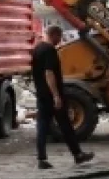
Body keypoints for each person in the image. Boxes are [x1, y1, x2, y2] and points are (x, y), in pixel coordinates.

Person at [31, 25, 95, 170]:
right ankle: (78, 155)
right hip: (51, 96)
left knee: (42, 126)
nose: (59, 41)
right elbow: (49, 73)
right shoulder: (49, 50)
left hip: (41, 94)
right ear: (54, 35)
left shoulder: (37, 49)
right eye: (59, 38)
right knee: (65, 125)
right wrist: (56, 96)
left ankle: (42, 158)